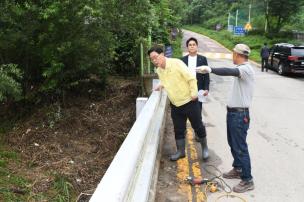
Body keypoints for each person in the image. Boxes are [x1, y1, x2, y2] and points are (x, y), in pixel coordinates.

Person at [196, 44, 255, 193]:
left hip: (240, 115)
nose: (232, 56)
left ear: (237, 54)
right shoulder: (242, 69)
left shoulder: (245, 69)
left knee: (240, 147)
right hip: (234, 113)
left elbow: (230, 71)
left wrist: (211, 69)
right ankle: (238, 168)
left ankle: (247, 180)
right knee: (233, 143)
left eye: (233, 53)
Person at [148, 46, 209, 161]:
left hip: (190, 102)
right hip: (175, 105)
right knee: (178, 129)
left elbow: (191, 78)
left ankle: (205, 148)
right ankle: (180, 151)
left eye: (156, 57)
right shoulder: (159, 70)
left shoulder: (176, 63)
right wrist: (160, 85)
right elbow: (166, 80)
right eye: (152, 59)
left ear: (162, 54)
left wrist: (194, 93)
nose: (154, 61)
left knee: (198, 126)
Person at [181, 37, 210, 142]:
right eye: (190, 45)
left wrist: (206, 88)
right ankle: (182, 132)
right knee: (184, 111)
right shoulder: (182, 60)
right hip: (185, 90)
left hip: (199, 90)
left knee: (198, 112)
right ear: (187, 47)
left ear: (197, 46)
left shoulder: (202, 59)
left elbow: (206, 75)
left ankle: (199, 134)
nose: (192, 46)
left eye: (194, 44)